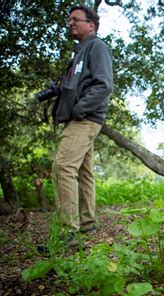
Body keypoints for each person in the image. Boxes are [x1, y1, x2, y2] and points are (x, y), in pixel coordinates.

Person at [52, 5, 113, 243]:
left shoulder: (97, 47)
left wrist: (79, 109)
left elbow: (103, 84)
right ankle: (87, 224)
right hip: (81, 118)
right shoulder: (81, 52)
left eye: (75, 19)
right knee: (84, 172)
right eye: (69, 20)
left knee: (63, 166)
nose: (71, 23)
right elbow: (80, 84)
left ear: (91, 25)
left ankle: (67, 231)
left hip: (85, 119)